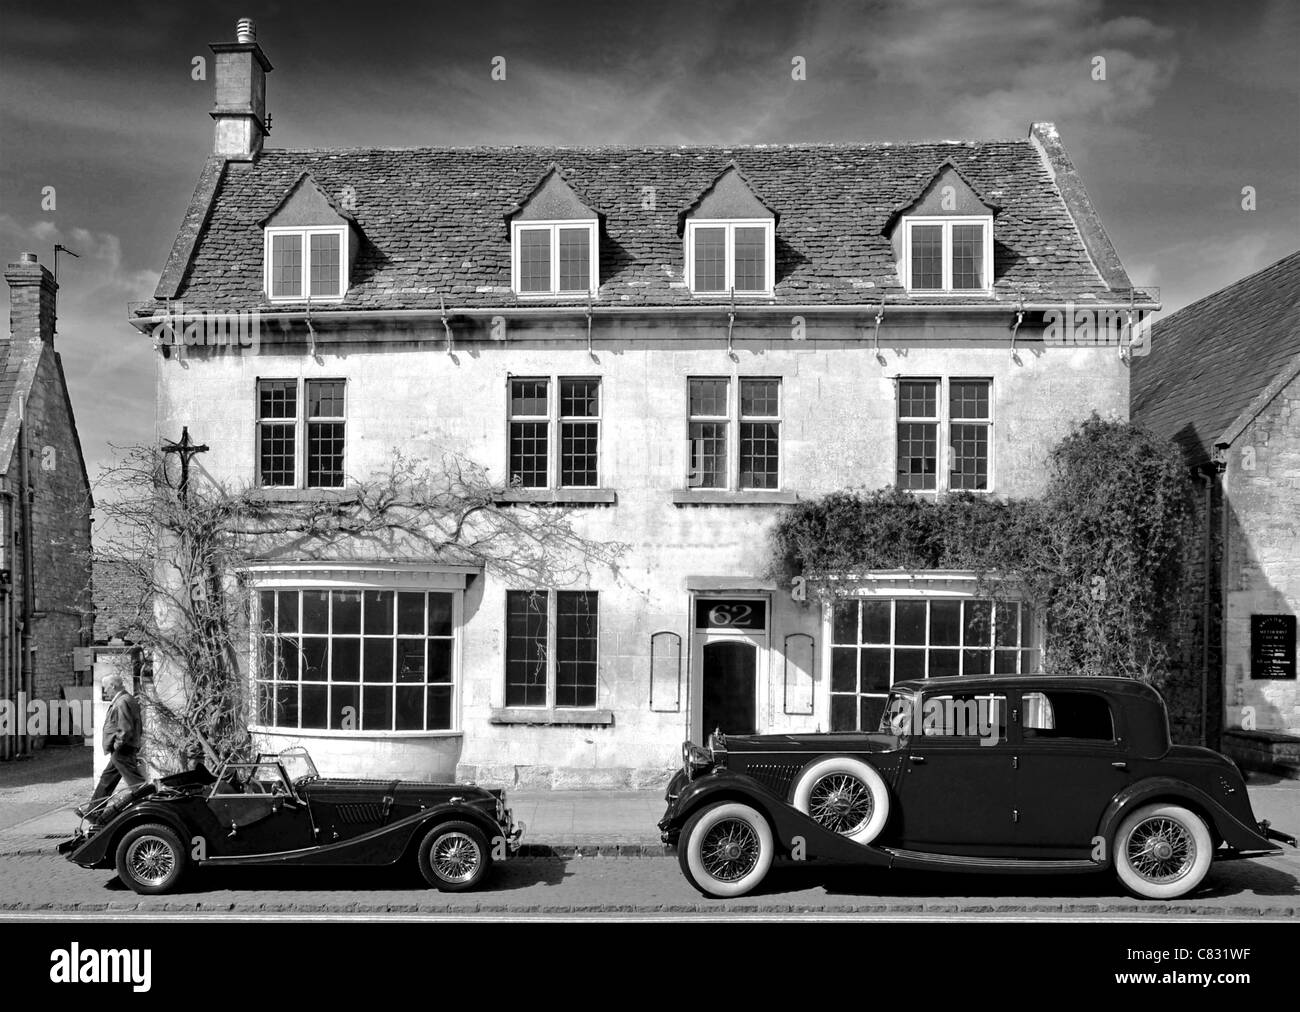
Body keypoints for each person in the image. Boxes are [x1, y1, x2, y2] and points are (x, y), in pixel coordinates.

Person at [76, 673, 146, 820]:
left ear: (113, 686)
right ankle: (93, 813)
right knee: (107, 779)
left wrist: (117, 744)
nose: (105, 691)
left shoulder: (122, 701)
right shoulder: (127, 699)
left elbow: (125, 728)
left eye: (106, 687)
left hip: (122, 748)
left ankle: (149, 804)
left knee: (136, 782)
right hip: (124, 747)